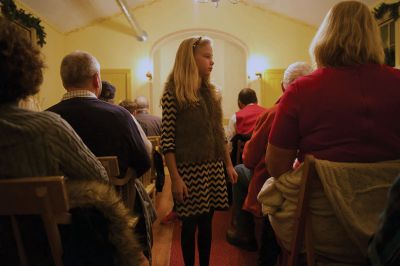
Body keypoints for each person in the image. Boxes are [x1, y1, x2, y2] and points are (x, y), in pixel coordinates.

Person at [263, 1, 400, 262]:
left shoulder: (301, 90)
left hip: (321, 231)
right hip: (391, 230)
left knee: (272, 191)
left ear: (325, 37)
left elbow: (275, 166)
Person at [0, 17, 144, 265]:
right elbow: (98, 177)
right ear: (24, 71)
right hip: (43, 248)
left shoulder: (51, 116)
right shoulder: (47, 127)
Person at [160, 36, 238, 266]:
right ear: (189, 58)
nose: (212, 62)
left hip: (212, 167)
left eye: (212, 56)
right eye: (206, 56)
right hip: (188, 170)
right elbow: (168, 140)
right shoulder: (173, 94)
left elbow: (219, 133)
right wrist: (175, 178)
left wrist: (228, 164)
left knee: (207, 225)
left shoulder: (211, 92)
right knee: (189, 224)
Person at [226, 63, 312, 260]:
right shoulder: (320, 112)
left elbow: (249, 159)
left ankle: (244, 232)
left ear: (283, 86)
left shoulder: (274, 113)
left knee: (239, 171)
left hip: (277, 182)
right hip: (311, 186)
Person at [47, 51, 150, 178]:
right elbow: (143, 162)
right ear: (97, 80)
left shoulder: (46, 118)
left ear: (64, 82)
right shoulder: (119, 115)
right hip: (115, 195)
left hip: (61, 196)